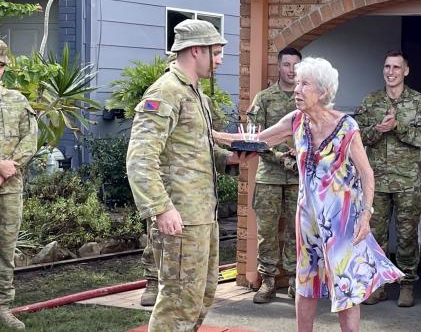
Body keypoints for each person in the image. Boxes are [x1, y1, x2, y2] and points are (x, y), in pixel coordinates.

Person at [215, 57, 403, 332]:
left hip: (342, 223)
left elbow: (367, 174)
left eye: (304, 84)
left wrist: (366, 214)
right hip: (308, 220)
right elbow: (258, 141)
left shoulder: (347, 127)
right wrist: (210, 134)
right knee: (306, 283)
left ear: (323, 91)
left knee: (346, 286)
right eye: (297, 83)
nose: (296, 88)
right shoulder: (296, 120)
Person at [127, 19, 241, 332]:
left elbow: (194, 150)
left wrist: (230, 158)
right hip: (180, 219)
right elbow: (140, 158)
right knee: (177, 302)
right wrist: (160, 207)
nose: (220, 59)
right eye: (215, 52)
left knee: (199, 297)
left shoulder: (196, 95)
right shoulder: (166, 93)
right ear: (195, 51)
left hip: (202, 216)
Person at [353, 50, 421, 307]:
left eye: (396, 67)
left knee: (407, 234)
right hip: (375, 180)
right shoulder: (371, 100)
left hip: (407, 181)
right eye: (387, 67)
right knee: (374, 235)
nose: (391, 72)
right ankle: (379, 284)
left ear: (405, 71)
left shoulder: (418, 102)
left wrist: (397, 126)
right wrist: (378, 129)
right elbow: (356, 137)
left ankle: (407, 284)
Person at [247, 47, 302, 303]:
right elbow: (255, 138)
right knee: (267, 231)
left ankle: (294, 281)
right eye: (287, 65)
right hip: (269, 175)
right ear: (278, 67)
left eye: (295, 65)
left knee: (296, 230)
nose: (291, 70)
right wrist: (283, 157)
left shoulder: (308, 98)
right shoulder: (265, 98)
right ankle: (267, 281)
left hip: (299, 177)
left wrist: (301, 152)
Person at [0, 40, 38, 331]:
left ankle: (2, 306)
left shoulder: (17, 100)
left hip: (9, 185)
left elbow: (30, 139)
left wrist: (9, 167)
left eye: (0, 65)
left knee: (5, 246)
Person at [140, 53, 177, 307]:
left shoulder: (200, 100)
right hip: (161, 179)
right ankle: (152, 281)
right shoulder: (159, 94)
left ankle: (175, 286)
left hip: (189, 185)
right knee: (155, 234)